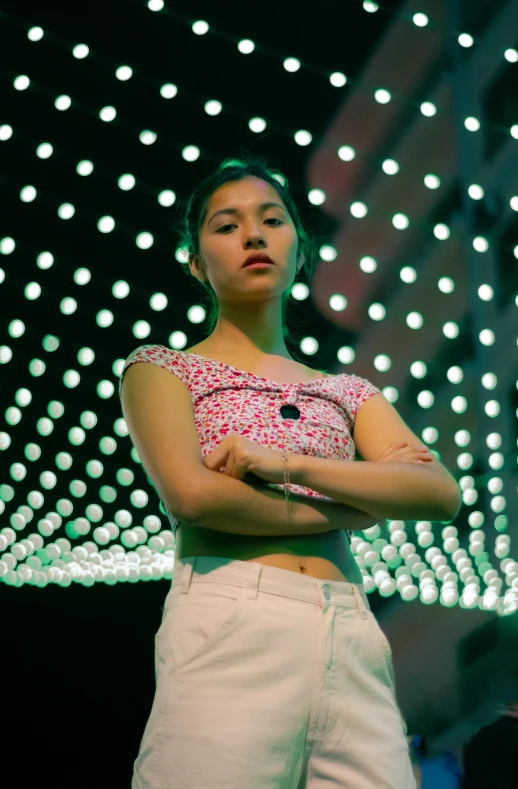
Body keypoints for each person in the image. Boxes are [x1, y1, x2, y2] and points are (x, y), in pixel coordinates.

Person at [119, 152, 421, 788]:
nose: (253, 235)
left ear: (300, 247)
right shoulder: (163, 368)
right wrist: (352, 509)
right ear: (197, 262)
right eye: (226, 226)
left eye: (272, 220)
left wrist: (279, 463)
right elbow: (194, 497)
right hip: (234, 618)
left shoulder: (346, 389)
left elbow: (435, 491)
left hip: (352, 630)